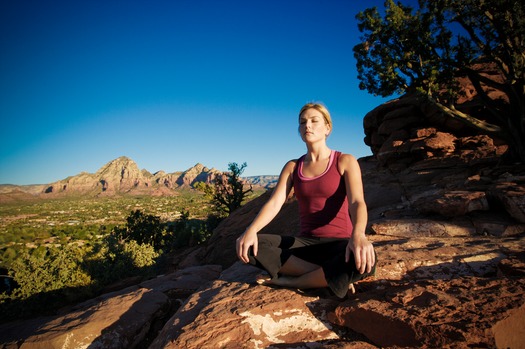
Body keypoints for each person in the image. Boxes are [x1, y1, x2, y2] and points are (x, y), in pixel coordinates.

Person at [236, 102, 376, 298]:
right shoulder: (293, 166)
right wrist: (251, 230)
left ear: (328, 128)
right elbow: (275, 202)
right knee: (250, 245)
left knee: (365, 260)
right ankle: (329, 276)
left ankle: (294, 281)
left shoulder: (345, 161)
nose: (307, 126)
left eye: (314, 121)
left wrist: (359, 235)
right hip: (305, 244)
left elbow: (357, 202)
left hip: (339, 244)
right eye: (302, 122)